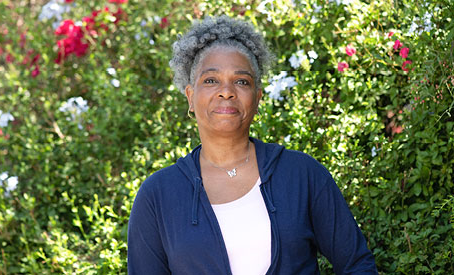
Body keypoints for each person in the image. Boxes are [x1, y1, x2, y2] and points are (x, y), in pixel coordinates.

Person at [128, 15, 378, 275]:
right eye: (211, 80)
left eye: (241, 81)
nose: (227, 91)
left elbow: (357, 265)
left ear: (257, 98)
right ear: (190, 97)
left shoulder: (301, 174)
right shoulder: (157, 196)